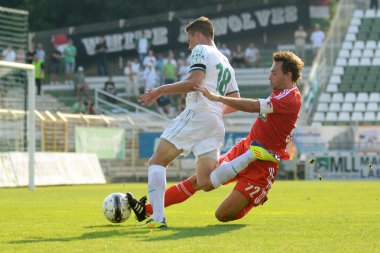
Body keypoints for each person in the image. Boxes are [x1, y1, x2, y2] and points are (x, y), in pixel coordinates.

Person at [128, 50, 303, 225]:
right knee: (199, 180)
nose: (269, 76)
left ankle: (257, 198)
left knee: (222, 215)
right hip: (245, 148)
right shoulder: (280, 92)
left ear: (288, 75)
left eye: (274, 72)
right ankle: (147, 210)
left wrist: (217, 98)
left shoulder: (290, 97)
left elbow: (253, 106)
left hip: (263, 164)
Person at [127, 16, 240, 229]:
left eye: (189, 40)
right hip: (215, 121)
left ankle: (158, 218)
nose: (188, 46)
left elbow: (193, 82)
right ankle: (242, 164)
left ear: (198, 35)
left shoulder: (201, 51)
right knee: (205, 181)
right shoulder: (226, 62)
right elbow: (234, 101)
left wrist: (160, 90)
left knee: (157, 162)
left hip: (198, 112)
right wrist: (213, 113)